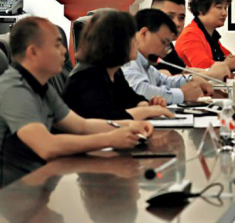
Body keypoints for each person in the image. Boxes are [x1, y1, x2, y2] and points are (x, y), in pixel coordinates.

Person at [0, 17, 152, 187]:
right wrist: (109, 139)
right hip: (12, 193)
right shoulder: (14, 90)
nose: (64, 51)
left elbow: (81, 125)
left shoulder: (41, 86)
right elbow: (47, 146)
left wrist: (130, 125)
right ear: (33, 52)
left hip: (39, 182)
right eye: (57, 45)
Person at [62, 11, 175, 121]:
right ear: (116, 41)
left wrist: (147, 104)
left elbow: (132, 99)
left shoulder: (115, 72)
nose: (137, 42)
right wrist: (148, 111)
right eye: (132, 37)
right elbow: (105, 119)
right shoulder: (87, 76)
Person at [123, 9, 213, 105]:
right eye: (164, 42)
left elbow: (165, 81)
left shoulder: (146, 65)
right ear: (144, 33)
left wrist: (191, 79)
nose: (166, 52)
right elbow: (141, 91)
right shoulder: (127, 62)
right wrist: (182, 94)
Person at [176, 0, 235, 76]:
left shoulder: (210, 34)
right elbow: (204, 68)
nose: (225, 13)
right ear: (201, 9)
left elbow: (229, 57)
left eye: (225, 8)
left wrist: (234, 61)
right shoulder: (190, 35)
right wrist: (227, 64)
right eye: (219, 7)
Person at [150, 0, 188, 75]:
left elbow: (182, 71)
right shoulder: (138, 46)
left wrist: (209, 73)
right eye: (170, 16)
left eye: (181, 18)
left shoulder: (167, 44)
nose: (177, 23)